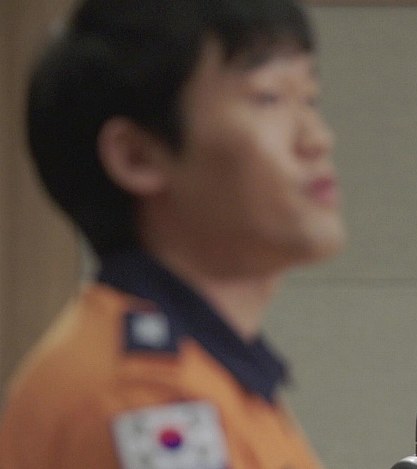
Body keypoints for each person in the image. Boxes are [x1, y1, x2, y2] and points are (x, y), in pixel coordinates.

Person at [0, 0, 344, 467]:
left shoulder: (207, 373)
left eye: (309, 99)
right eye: (268, 98)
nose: (317, 139)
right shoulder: (149, 400)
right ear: (137, 157)